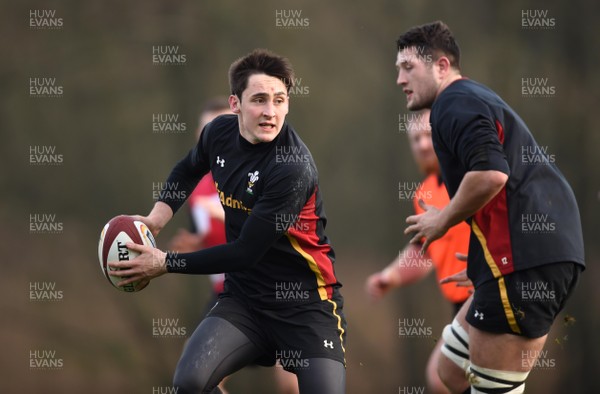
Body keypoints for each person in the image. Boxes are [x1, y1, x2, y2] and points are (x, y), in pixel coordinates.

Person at [109, 49, 346, 394]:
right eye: (259, 100)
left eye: (279, 100)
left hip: (307, 308)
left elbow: (245, 252)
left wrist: (165, 263)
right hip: (245, 301)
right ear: (235, 103)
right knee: (188, 384)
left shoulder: (292, 168)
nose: (270, 112)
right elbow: (189, 168)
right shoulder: (218, 133)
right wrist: (155, 220)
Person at [396, 21, 584, 393]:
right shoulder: (467, 99)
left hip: (526, 262)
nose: (400, 80)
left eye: (408, 68)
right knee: (447, 372)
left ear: (442, 66)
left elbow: (491, 175)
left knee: (492, 389)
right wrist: (485, 261)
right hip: (521, 258)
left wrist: (443, 220)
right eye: (397, 70)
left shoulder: (452, 103)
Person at [168, 97, 299, 394]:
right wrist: (196, 243)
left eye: (228, 125)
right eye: (211, 130)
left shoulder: (267, 173)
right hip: (227, 296)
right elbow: (207, 236)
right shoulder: (196, 189)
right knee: (195, 372)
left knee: (291, 380)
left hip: (277, 291)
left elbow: (281, 232)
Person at [365, 109, 472, 394]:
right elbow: (423, 252)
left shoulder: (472, 180)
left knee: (442, 376)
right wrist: (390, 276)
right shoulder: (423, 193)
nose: (423, 145)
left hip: (486, 295)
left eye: (429, 136)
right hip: (458, 306)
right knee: (446, 379)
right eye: (415, 139)